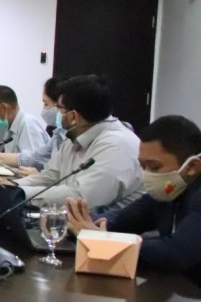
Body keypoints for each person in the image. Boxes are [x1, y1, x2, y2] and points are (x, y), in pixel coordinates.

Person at [67, 115, 201, 281]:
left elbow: (176, 253)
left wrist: (103, 240)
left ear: (192, 167)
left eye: (154, 167)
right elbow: (122, 219)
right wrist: (81, 224)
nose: (146, 175)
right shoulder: (167, 190)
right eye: (142, 166)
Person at [8, 75, 144, 212]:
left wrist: (19, 194)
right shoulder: (75, 135)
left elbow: (80, 197)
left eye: (59, 108)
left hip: (111, 230)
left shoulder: (116, 145)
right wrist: (11, 187)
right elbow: (50, 176)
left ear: (73, 117)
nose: (57, 114)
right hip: (76, 223)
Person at [0, 85, 50, 169]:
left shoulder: (28, 124)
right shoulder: (9, 125)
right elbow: (9, 162)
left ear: (4, 107)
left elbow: (33, 164)